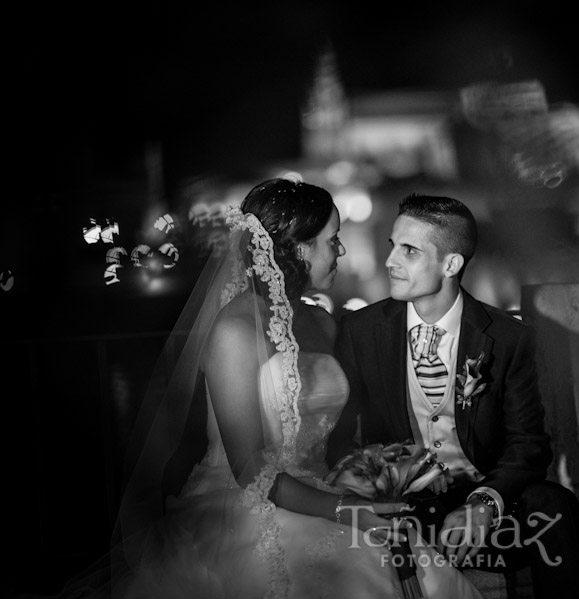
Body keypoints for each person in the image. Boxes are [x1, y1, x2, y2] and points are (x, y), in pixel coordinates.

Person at [49, 178, 484, 599]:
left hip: (324, 488)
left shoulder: (322, 323)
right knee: (343, 575)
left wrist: (376, 476)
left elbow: (342, 436)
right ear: (298, 248)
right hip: (247, 505)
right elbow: (249, 469)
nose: (341, 250)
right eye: (332, 240)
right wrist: (344, 511)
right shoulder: (235, 331)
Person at [327, 193, 579, 598]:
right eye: (392, 246)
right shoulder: (360, 331)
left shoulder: (507, 338)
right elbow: (343, 437)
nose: (390, 261)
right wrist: (383, 483)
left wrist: (483, 503)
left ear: (451, 264)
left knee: (552, 505)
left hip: (487, 509)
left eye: (409, 250)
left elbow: (529, 445)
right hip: (408, 511)